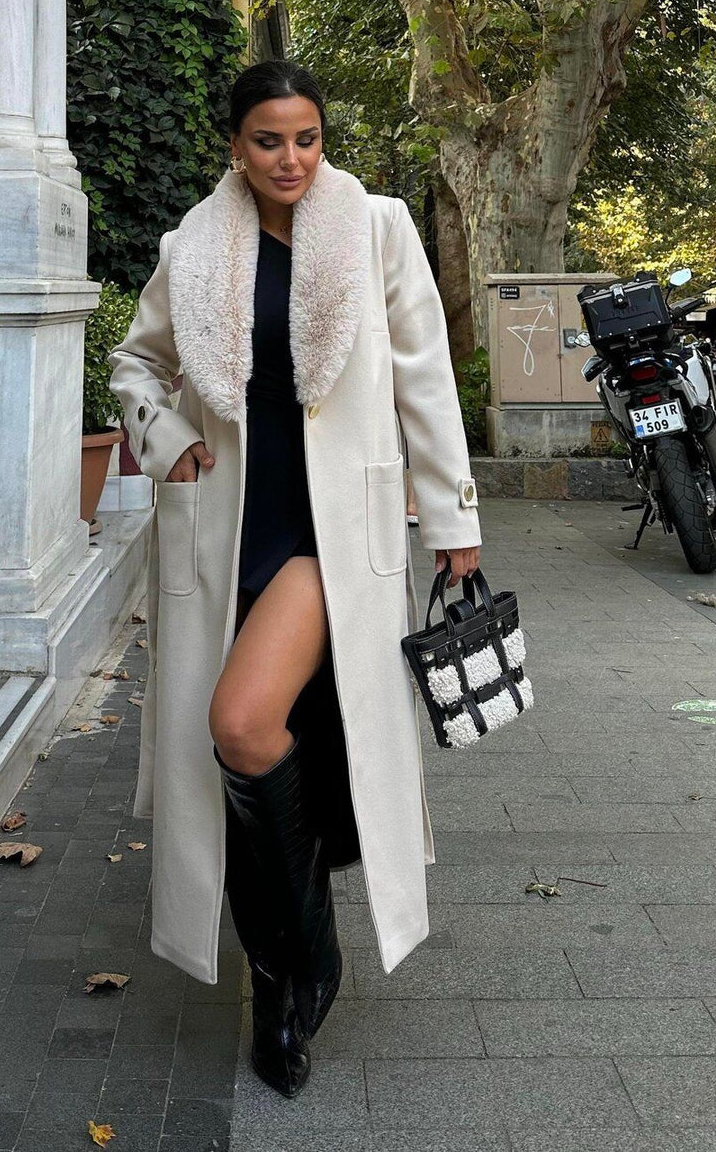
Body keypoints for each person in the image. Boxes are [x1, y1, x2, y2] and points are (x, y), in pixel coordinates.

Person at [108, 60, 482, 1097]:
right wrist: (168, 438)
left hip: (332, 537)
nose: (291, 159)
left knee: (239, 724)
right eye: (268, 140)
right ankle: (288, 964)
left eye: (307, 138)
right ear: (236, 146)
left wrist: (454, 517)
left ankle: (295, 963)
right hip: (225, 528)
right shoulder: (192, 245)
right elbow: (135, 363)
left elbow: (425, 376)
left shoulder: (377, 229)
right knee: (251, 761)